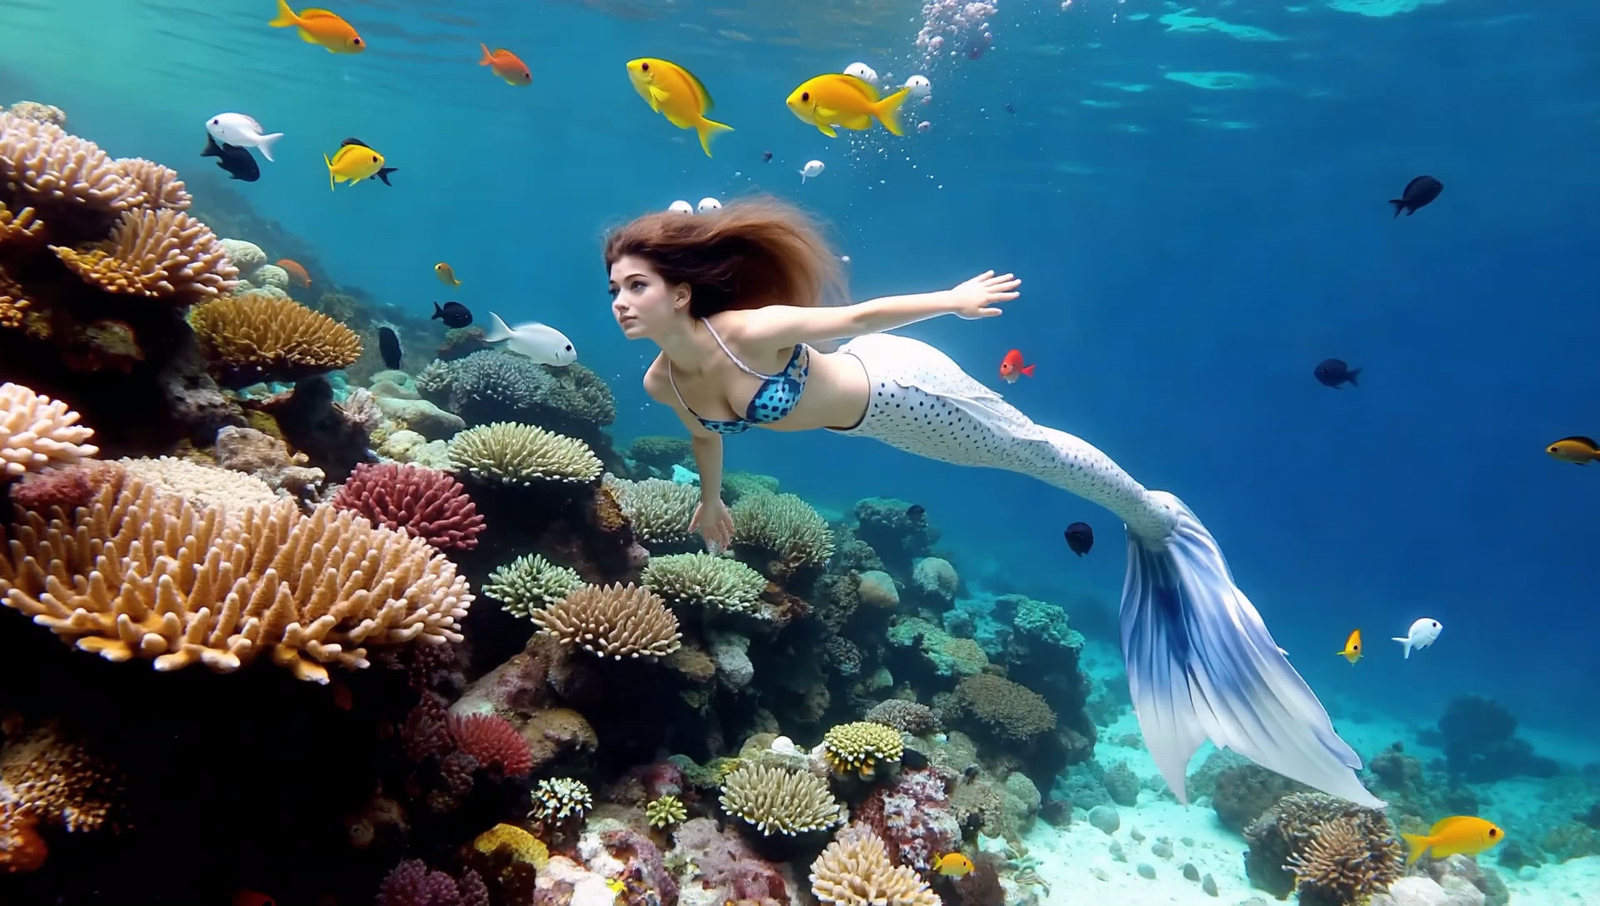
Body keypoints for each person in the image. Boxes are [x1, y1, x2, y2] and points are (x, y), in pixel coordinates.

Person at [604, 197, 1381, 808]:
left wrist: (953, 298)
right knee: (1023, 452)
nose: (621, 301)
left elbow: (856, 318)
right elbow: (707, 434)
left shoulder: (746, 329)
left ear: (680, 290)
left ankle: (1154, 516)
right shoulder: (661, 381)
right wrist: (709, 501)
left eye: (636, 285)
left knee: (1029, 450)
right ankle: (1148, 516)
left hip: (907, 391)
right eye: (614, 289)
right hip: (881, 423)